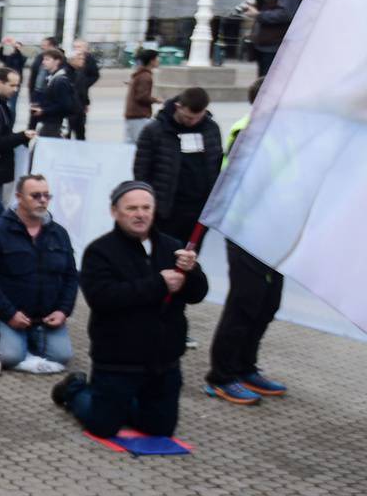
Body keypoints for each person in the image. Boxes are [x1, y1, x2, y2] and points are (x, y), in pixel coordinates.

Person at [54, 181, 207, 438]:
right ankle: (75, 389)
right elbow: (102, 298)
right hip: (118, 361)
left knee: (160, 430)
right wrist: (158, 283)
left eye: (146, 207)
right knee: (102, 427)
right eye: (132, 208)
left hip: (163, 362)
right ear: (115, 212)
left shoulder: (172, 247)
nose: (140, 214)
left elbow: (197, 295)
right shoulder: (99, 251)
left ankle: (122, 405)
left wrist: (193, 273)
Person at [204, 84, 286, 405]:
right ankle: (221, 376)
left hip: (276, 230)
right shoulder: (248, 131)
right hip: (247, 229)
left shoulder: (284, 132)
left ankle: (245, 366)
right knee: (245, 302)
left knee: (269, 302)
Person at [0, 174, 78, 374]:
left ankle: (29, 343)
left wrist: (63, 310)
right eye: (35, 196)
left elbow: (71, 276)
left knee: (62, 356)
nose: (43, 200)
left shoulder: (59, 233)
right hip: (8, 315)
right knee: (10, 356)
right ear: (18, 197)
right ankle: (6, 340)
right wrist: (9, 313)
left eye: (46, 196)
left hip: (46, 318)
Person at [132, 86, 222, 242]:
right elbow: (141, 171)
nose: (192, 121)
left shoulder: (211, 129)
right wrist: (149, 206)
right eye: (187, 117)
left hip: (200, 212)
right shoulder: (154, 131)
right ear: (178, 106)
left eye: (197, 117)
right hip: (167, 211)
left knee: (190, 258)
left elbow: (216, 165)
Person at [32, 48, 76, 138]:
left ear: (57, 61)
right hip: (50, 123)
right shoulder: (52, 78)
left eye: (47, 59)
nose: (43, 62)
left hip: (55, 125)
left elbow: (65, 106)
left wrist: (43, 111)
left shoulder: (60, 80)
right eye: (43, 59)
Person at [124, 48, 158, 144]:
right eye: (157, 58)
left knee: (130, 145)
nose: (159, 61)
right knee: (140, 144)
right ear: (152, 61)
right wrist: (156, 100)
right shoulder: (146, 76)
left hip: (133, 114)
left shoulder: (139, 74)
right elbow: (141, 96)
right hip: (139, 115)